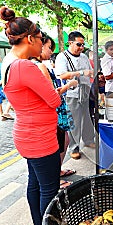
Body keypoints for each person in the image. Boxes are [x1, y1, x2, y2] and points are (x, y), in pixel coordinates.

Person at [0, 6, 61, 225]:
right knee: (49, 189)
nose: (42, 44)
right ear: (29, 38)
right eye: (40, 38)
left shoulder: (8, 62)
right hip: (40, 138)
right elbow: (54, 100)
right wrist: (45, 73)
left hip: (25, 133)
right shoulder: (26, 66)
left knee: (34, 183)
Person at [34, 34, 78, 189]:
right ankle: (55, 177)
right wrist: (69, 85)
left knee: (63, 140)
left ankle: (57, 171)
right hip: (54, 110)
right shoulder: (39, 66)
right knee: (59, 143)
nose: (50, 51)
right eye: (47, 47)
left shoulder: (40, 65)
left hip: (56, 108)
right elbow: (52, 94)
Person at [55, 31, 94, 160]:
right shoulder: (62, 57)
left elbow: (90, 71)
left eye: (83, 45)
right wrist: (82, 72)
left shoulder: (84, 57)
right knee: (74, 121)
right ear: (70, 43)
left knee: (87, 118)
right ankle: (74, 147)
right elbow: (62, 75)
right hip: (72, 93)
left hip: (85, 91)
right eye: (79, 44)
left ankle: (88, 140)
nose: (81, 48)